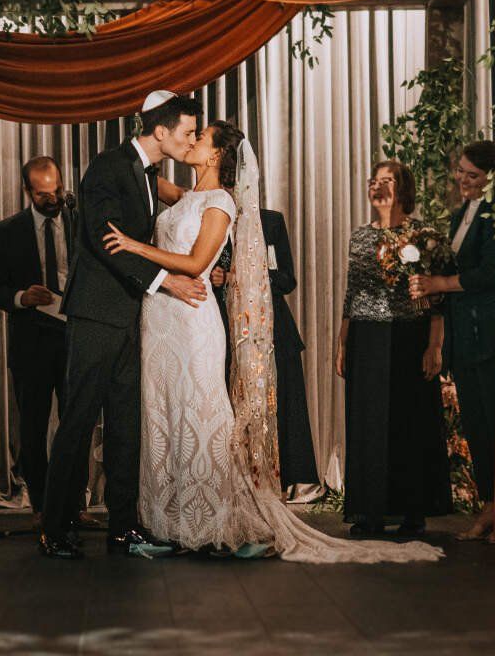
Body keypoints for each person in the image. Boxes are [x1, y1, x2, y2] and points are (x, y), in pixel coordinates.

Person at [104, 122, 439, 563]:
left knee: (200, 415)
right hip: (160, 321)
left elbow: (196, 261)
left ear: (217, 155)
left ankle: (212, 517)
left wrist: (134, 247)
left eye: (199, 138)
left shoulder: (222, 202)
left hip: (192, 320)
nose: (190, 141)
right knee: (163, 412)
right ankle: (170, 520)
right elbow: (146, 174)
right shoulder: (186, 198)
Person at [38, 91, 208, 560]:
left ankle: (124, 526)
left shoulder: (151, 174)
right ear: (160, 132)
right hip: (96, 314)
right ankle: (54, 527)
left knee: (125, 424)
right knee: (77, 421)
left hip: (132, 315)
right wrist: (164, 281)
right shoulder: (107, 167)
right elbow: (106, 240)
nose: (191, 140)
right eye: (187, 132)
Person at [337, 159, 452, 537]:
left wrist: (434, 345)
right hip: (367, 336)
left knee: (408, 423)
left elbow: (439, 300)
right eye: (374, 180)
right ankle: (368, 513)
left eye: (387, 181)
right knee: (368, 423)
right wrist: (342, 343)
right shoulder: (360, 236)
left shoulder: (424, 235)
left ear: (403, 189)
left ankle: (411, 513)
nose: (377, 187)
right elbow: (352, 294)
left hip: (409, 334)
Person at [410, 139, 495, 541]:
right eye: (461, 171)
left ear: (492, 178)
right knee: (476, 424)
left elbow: (492, 273)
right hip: (463, 336)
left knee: (493, 421)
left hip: (487, 332)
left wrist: (442, 282)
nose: (463, 180)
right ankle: (490, 506)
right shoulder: (458, 216)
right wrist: (435, 290)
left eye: (473, 175)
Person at [0, 156, 84, 522]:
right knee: (33, 428)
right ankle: (43, 506)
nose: (53, 198)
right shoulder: (8, 231)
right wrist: (22, 297)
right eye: (44, 194)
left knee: (76, 422)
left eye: (56, 190)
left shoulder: (78, 223)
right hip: (31, 341)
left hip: (74, 337)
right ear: (28, 191)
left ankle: (75, 504)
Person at [212, 207, 319, 488]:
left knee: (282, 401)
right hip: (223, 329)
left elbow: (287, 279)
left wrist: (243, 278)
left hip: (272, 329)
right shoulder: (212, 217)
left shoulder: (270, 221)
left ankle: (288, 478)